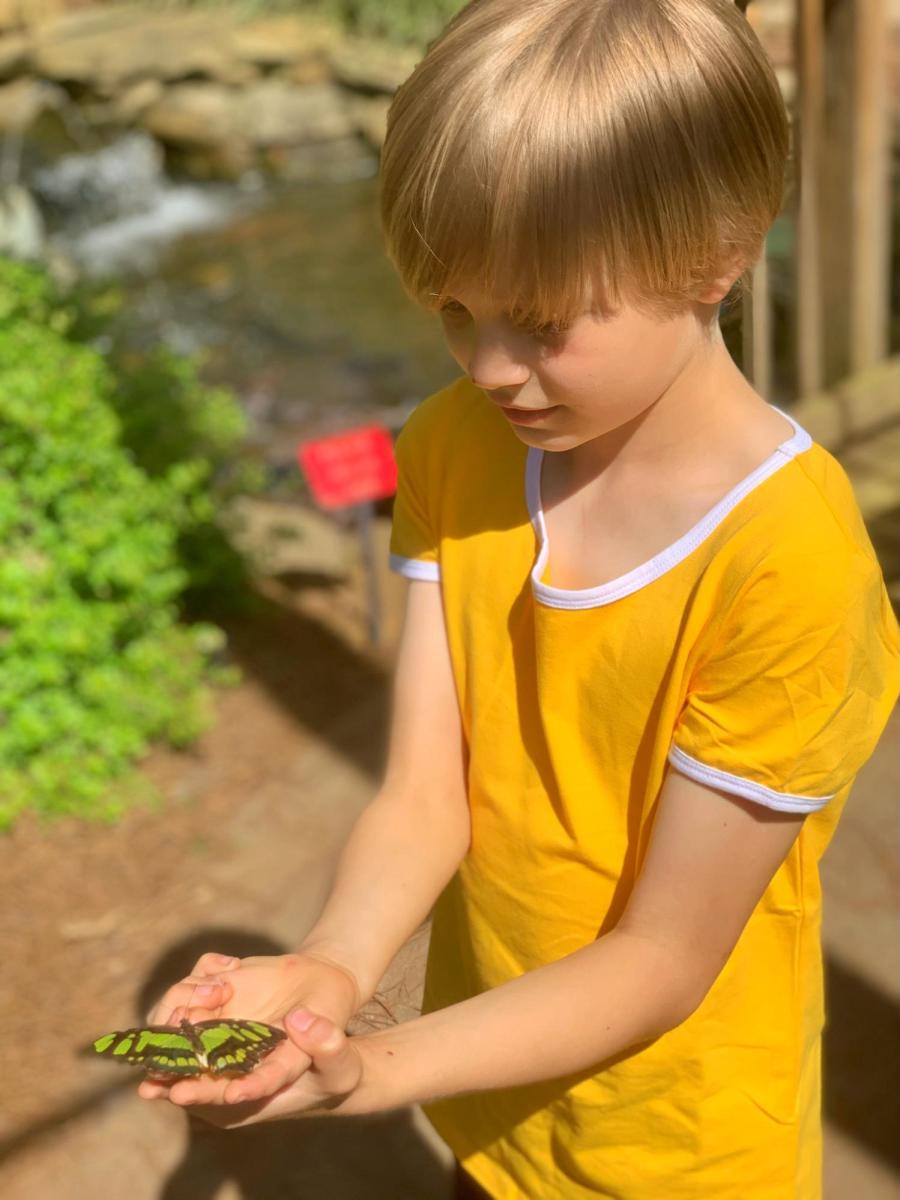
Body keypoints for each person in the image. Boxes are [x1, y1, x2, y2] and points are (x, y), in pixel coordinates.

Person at [138, 1, 900, 1196]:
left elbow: (660, 959)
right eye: (453, 309)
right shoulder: (455, 443)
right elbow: (426, 792)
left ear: (718, 252)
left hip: (678, 1152)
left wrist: (372, 1072)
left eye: (540, 323)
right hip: (485, 1105)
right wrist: (333, 973)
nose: (489, 364)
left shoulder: (790, 564)